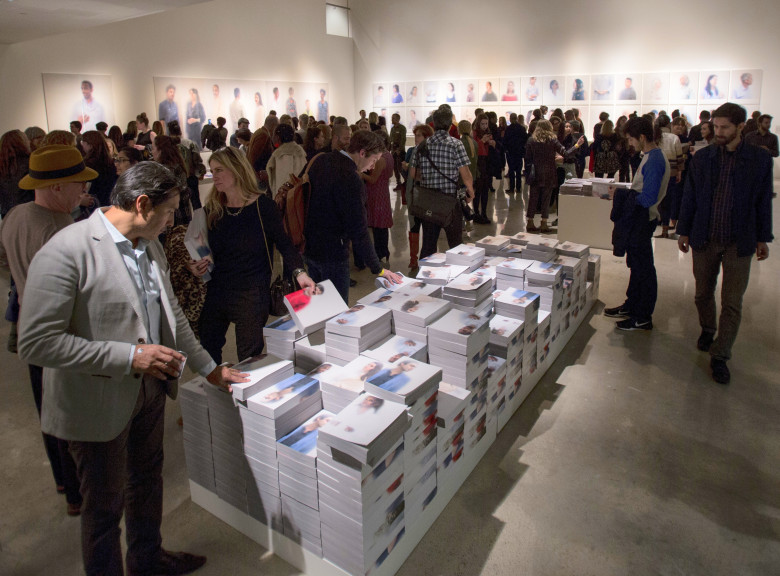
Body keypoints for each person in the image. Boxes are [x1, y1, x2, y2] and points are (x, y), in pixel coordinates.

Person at [17, 160, 251, 576]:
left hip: (151, 391)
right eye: (168, 212)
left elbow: (173, 315)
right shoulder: (66, 251)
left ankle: (147, 559)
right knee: (104, 511)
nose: (172, 221)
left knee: (146, 482)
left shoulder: (150, 243)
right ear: (142, 204)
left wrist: (210, 369)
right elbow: (37, 342)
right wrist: (130, 357)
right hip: (96, 402)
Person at [0, 144, 96, 517]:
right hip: (62, 334)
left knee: (46, 409)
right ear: (56, 187)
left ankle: (63, 482)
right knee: (69, 414)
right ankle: (78, 493)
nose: (81, 192)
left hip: (29, 328)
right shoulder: (61, 228)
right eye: (77, 184)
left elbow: (6, 259)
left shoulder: (14, 216)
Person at [676, 102, 773, 385]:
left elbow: (762, 201)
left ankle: (721, 355)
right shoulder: (703, 159)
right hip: (705, 238)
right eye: (715, 126)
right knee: (702, 293)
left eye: (724, 127)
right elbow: (690, 197)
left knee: (732, 302)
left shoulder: (759, 160)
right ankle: (708, 327)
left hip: (738, 241)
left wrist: (762, 238)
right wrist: (683, 231)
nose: (718, 132)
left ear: (741, 127)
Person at [303, 130, 402, 301]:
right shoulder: (351, 179)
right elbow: (359, 231)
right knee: (337, 310)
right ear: (362, 153)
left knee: (318, 305)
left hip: (309, 248)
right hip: (333, 253)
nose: (372, 166)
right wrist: (378, 268)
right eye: (373, 160)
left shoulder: (321, 160)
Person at [604, 116, 669, 331]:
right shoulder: (649, 156)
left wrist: (623, 194)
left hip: (643, 220)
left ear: (642, 137)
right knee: (637, 266)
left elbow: (647, 197)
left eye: (631, 139)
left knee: (643, 269)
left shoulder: (655, 160)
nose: (630, 144)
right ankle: (632, 305)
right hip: (640, 220)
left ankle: (642, 316)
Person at [409, 107, 475, 258]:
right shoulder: (456, 144)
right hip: (449, 202)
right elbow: (465, 174)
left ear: (433, 123)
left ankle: (424, 276)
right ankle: (458, 276)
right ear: (451, 125)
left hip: (428, 202)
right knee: (456, 245)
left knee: (428, 246)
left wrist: (428, 177)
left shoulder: (422, 145)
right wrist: (470, 191)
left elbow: (413, 173)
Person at [524, 120, 583, 233]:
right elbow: (565, 153)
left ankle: (530, 222)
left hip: (535, 173)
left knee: (533, 198)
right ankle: (544, 223)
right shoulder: (552, 140)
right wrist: (576, 145)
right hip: (549, 172)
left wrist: (528, 171)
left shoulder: (531, 140)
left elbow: (527, 158)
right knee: (546, 199)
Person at [361, 131, 394, 263]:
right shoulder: (388, 156)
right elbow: (389, 174)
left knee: (378, 225)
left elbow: (373, 179)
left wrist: (361, 174)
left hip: (376, 193)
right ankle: (383, 251)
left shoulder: (381, 159)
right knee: (381, 225)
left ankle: (380, 252)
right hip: (382, 192)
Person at [655, 115, 684, 239]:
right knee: (668, 201)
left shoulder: (654, 137)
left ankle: (656, 224)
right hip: (671, 173)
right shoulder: (674, 138)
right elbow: (679, 158)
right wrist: (679, 172)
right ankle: (666, 229)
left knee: (656, 201)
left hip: (656, 172)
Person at [267, 123, 307, 196]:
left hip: (286, 199)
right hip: (299, 197)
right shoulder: (299, 152)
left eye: (273, 134)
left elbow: (281, 181)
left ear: (277, 137)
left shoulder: (281, 156)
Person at [80, 130, 117, 208]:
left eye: (83, 142)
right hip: (109, 201)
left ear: (89, 144)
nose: (82, 145)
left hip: (92, 202)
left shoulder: (88, 164)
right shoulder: (110, 162)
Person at [0, 129, 31, 218]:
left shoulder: (3, 167)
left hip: (7, 215)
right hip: (29, 212)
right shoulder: (30, 163)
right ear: (21, 143)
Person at [503, 113, 527, 194]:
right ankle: (519, 188)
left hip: (510, 152)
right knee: (518, 171)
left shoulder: (508, 129)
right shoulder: (521, 128)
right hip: (519, 152)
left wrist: (506, 149)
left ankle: (512, 188)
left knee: (511, 170)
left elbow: (505, 140)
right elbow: (525, 140)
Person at [389, 113, 407, 191]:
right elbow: (391, 139)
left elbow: (403, 139)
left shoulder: (402, 128)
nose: (392, 120)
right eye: (392, 118)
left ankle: (406, 182)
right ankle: (398, 183)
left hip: (400, 151)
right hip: (393, 151)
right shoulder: (392, 129)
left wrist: (399, 149)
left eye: (393, 118)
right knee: (395, 168)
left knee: (400, 168)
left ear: (398, 119)